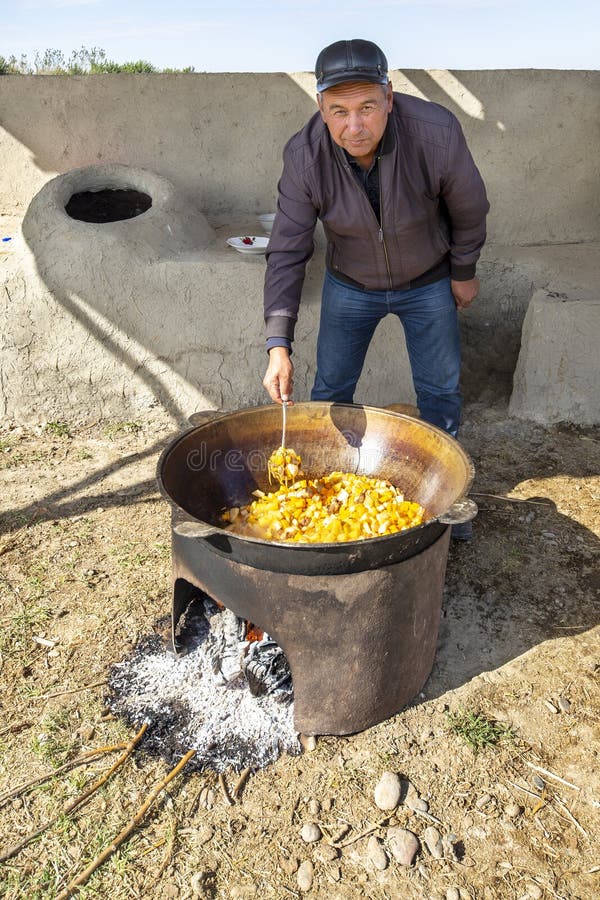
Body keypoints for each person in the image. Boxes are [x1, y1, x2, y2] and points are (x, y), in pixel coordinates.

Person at [262, 39, 489, 536]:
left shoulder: (435, 132)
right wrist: (278, 343)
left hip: (429, 278)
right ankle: (318, 497)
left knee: (440, 392)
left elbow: (470, 208)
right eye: (338, 111)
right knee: (330, 392)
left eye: (367, 107)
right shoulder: (304, 156)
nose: (354, 125)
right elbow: (287, 247)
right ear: (321, 108)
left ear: (389, 97)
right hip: (351, 284)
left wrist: (463, 270)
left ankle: (449, 506)